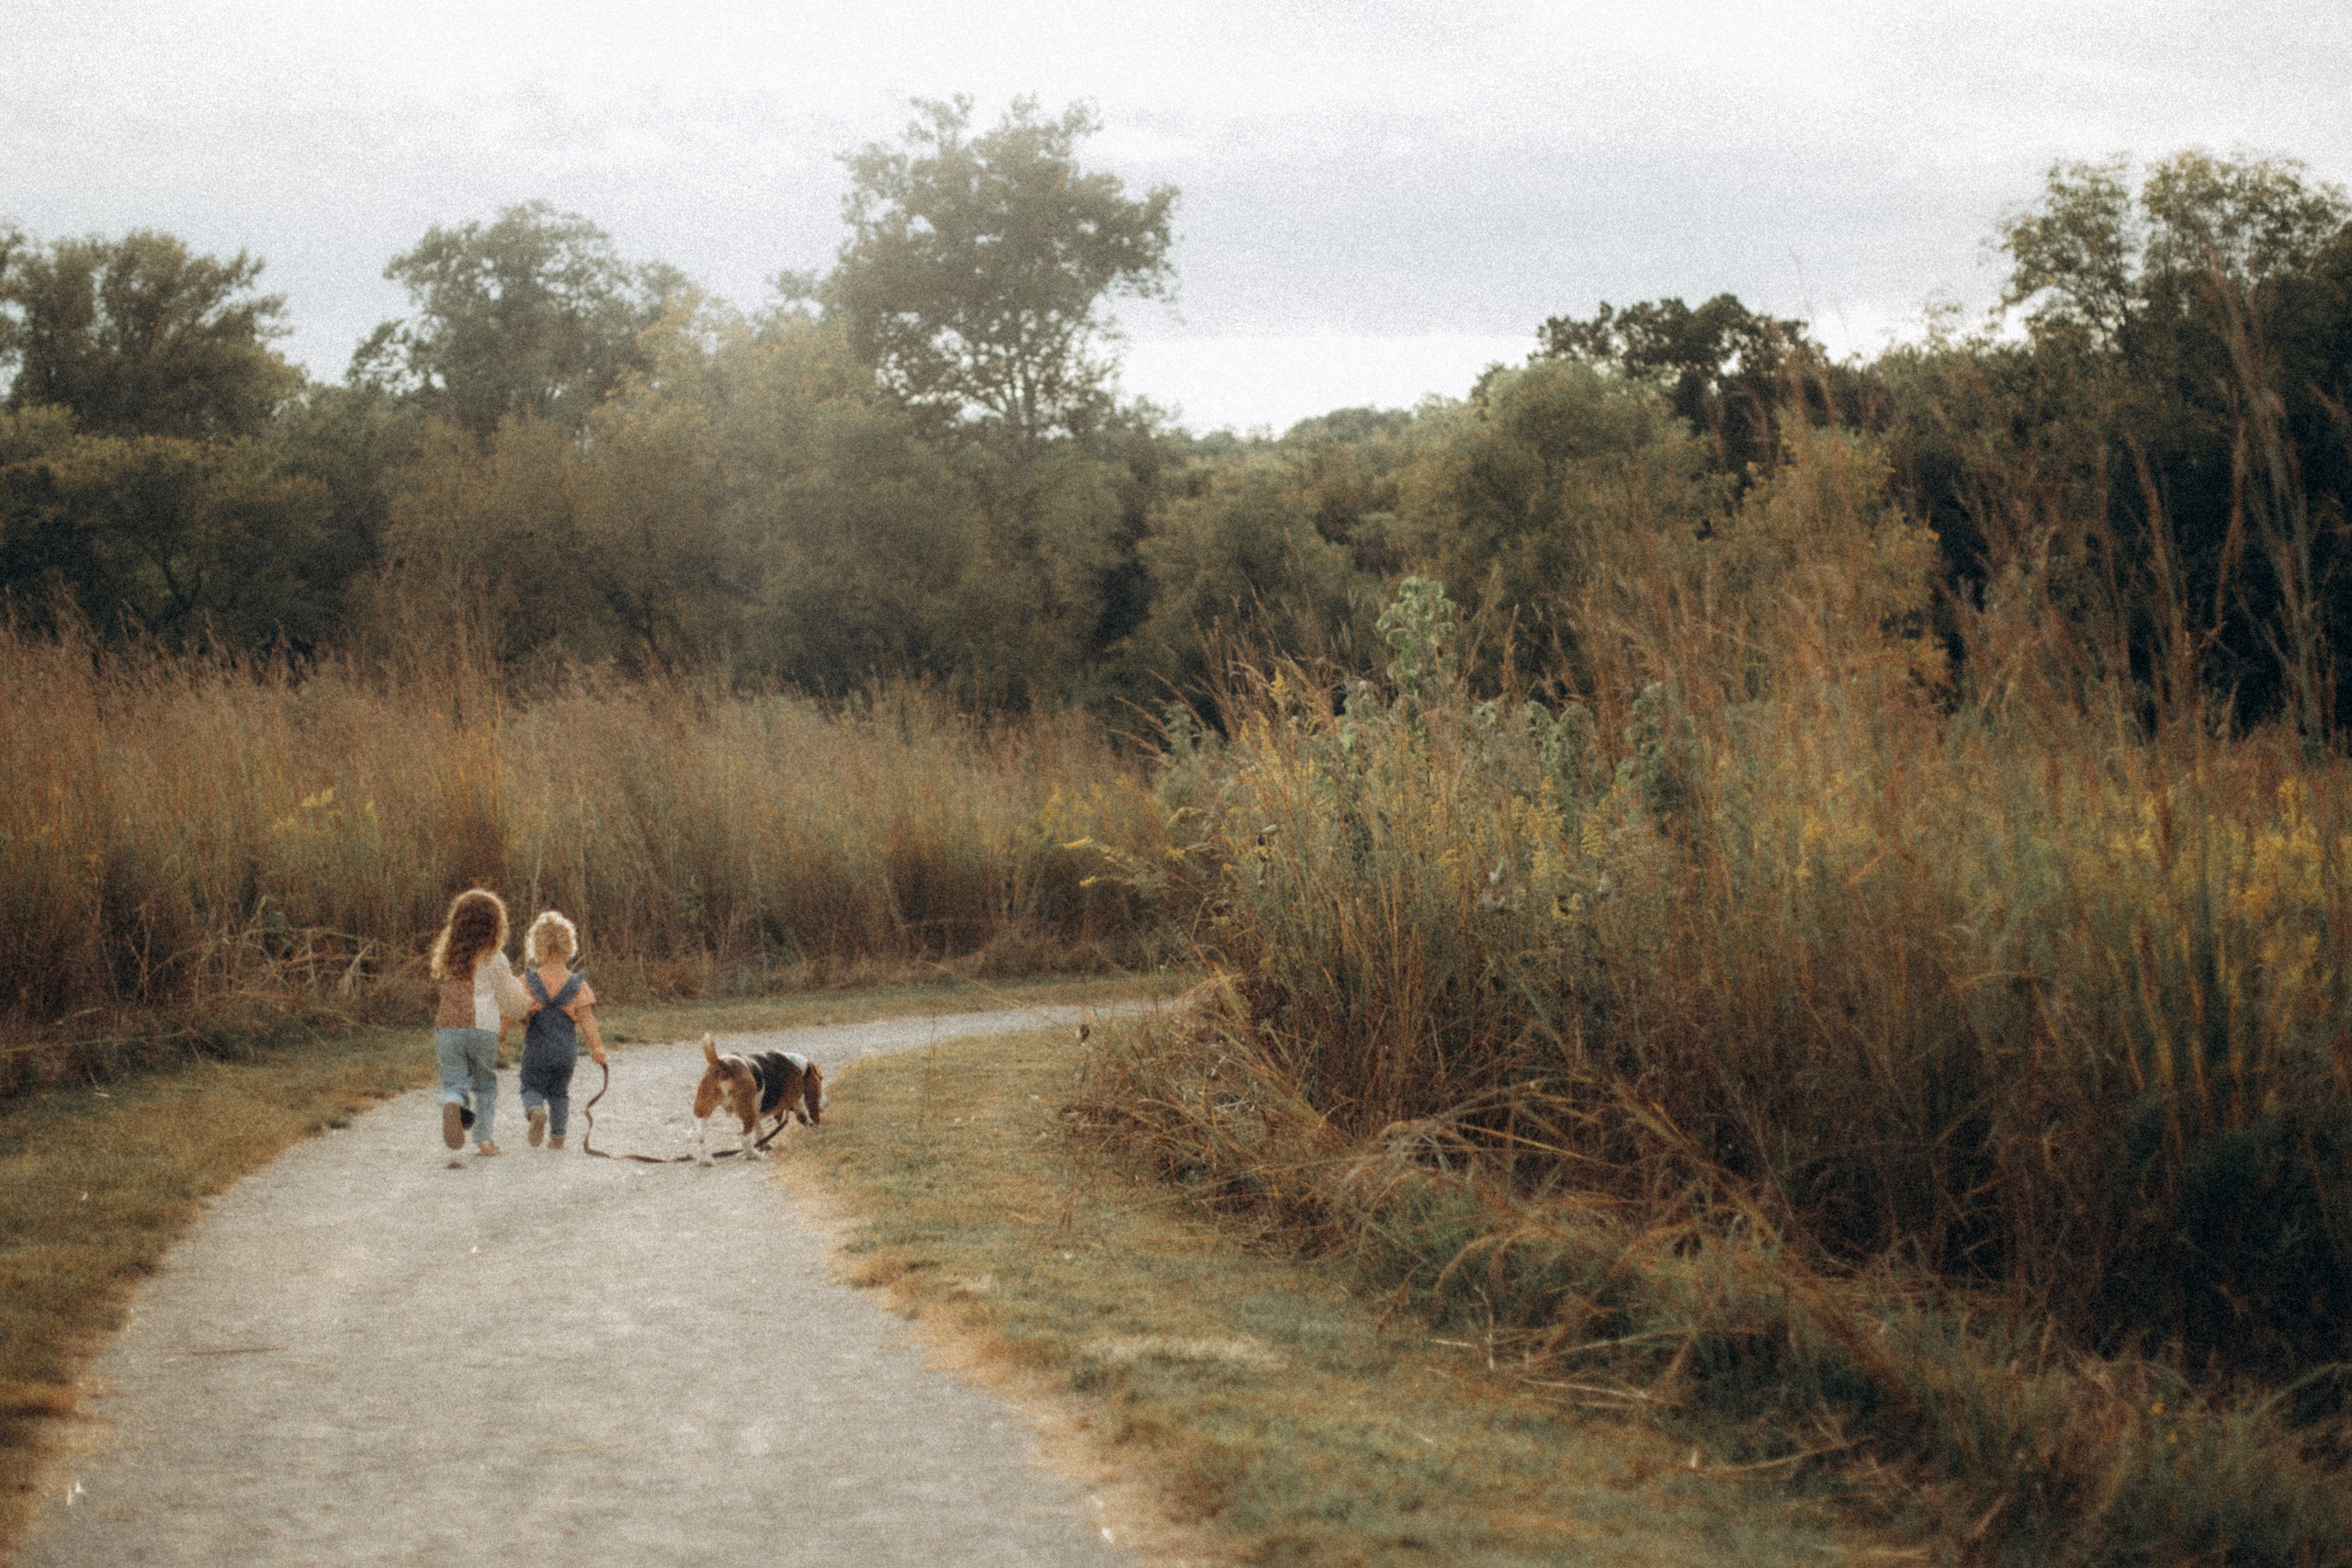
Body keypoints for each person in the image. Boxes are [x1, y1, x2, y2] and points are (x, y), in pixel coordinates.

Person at [428, 888, 531, 1162]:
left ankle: (453, 1102)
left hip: (447, 1029)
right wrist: (525, 1010)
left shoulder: (450, 957)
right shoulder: (494, 958)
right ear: (496, 925)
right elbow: (509, 996)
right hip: (483, 1029)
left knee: (454, 1081)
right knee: (485, 1085)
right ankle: (484, 1140)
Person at [517, 910, 606, 1150]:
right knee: (559, 1093)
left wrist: (505, 1029)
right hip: (565, 1052)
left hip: (536, 1050)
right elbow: (587, 1020)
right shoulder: (577, 985)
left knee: (530, 1086)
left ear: (537, 946)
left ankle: (535, 1111)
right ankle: (558, 1137)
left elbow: (515, 1011)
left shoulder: (527, 983)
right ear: (569, 946)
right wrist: (597, 1047)